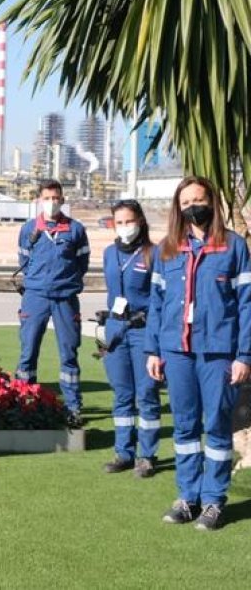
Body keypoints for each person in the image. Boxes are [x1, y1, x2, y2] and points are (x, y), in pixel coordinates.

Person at [146, 176, 251, 531]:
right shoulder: (167, 249)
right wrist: (154, 350)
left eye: (199, 199)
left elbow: (247, 305)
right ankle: (188, 497)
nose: (193, 206)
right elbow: (156, 306)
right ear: (179, 207)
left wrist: (244, 355)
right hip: (177, 352)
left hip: (218, 351)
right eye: (186, 201)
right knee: (185, 427)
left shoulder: (234, 247)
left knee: (217, 427)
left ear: (212, 202)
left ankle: (213, 501)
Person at [14, 179, 89, 426]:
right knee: (28, 353)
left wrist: (67, 281)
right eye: (47, 198)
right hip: (35, 296)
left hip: (65, 298)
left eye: (56, 198)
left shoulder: (76, 230)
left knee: (68, 354)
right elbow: (23, 260)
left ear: (63, 200)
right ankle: (25, 403)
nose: (52, 202)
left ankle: (73, 407)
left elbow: (82, 263)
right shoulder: (28, 230)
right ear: (38, 200)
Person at [100, 200, 160, 477]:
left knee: (146, 394)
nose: (125, 227)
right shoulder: (109, 253)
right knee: (121, 395)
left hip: (143, 331)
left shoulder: (154, 253)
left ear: (140, 221)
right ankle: (124, 452)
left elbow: (162, 299)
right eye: (119, 222)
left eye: (129, 221)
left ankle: (146, 456)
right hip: (116, 329)